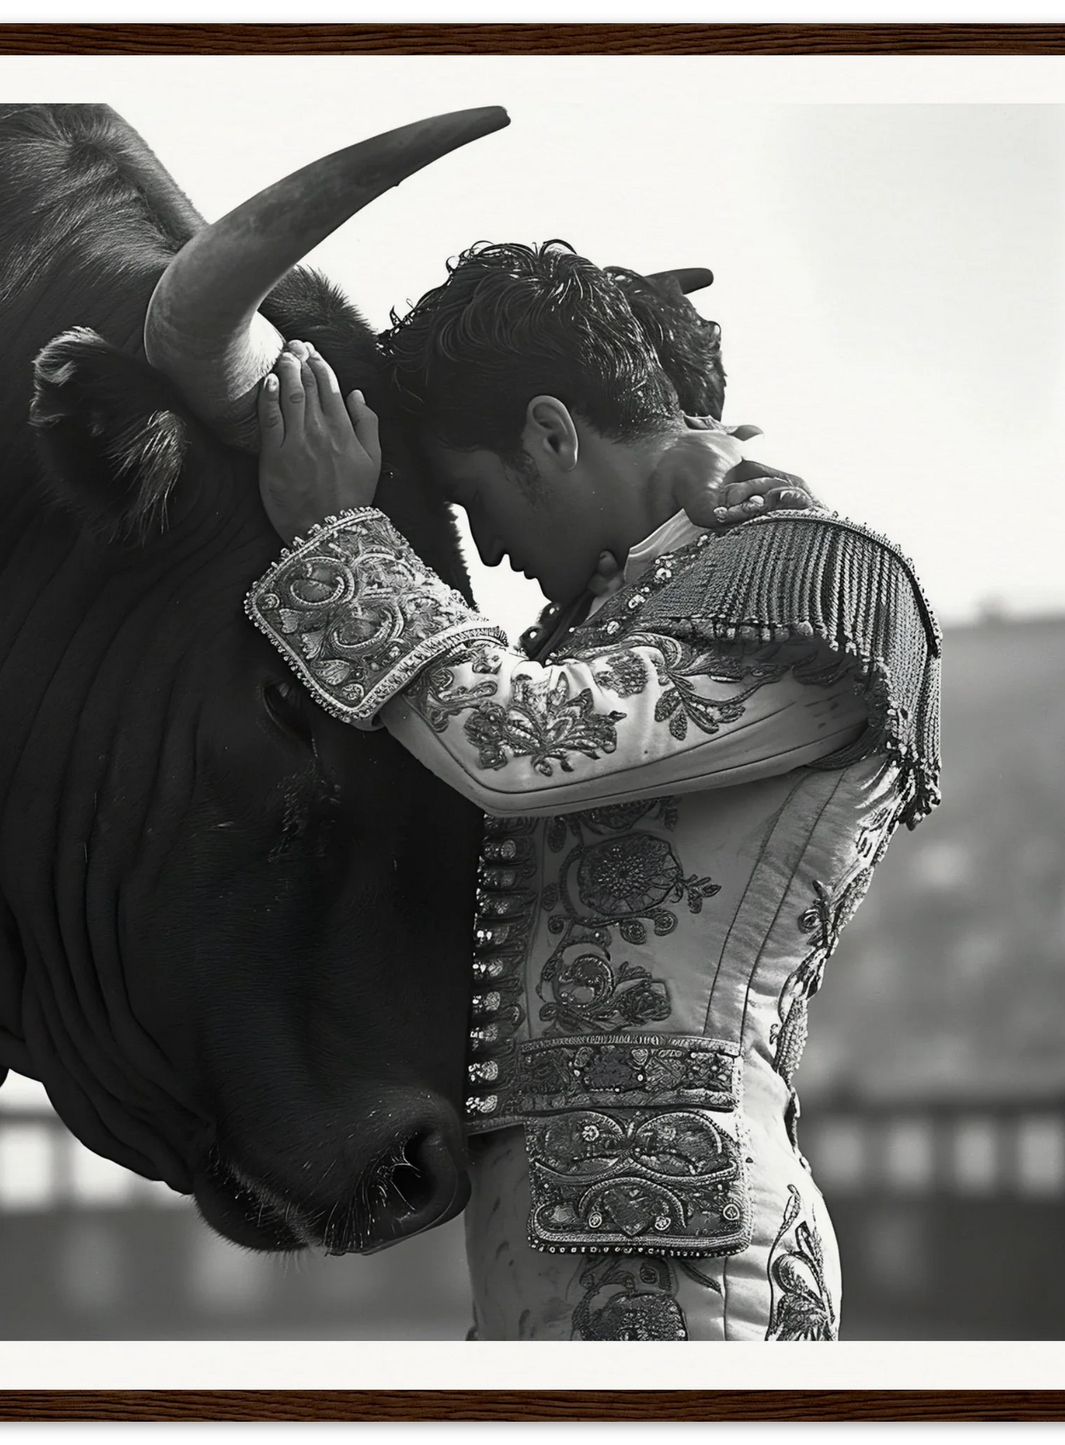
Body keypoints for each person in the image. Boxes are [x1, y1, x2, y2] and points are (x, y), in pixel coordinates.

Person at [244, 242, 941, 1341]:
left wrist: (339, 539)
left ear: (552, 432)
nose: (488, 553)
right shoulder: (615, 612)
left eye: (473, 498)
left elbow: (518, 743)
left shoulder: (820, 581)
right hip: (558, 1245)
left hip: (693, 1255)